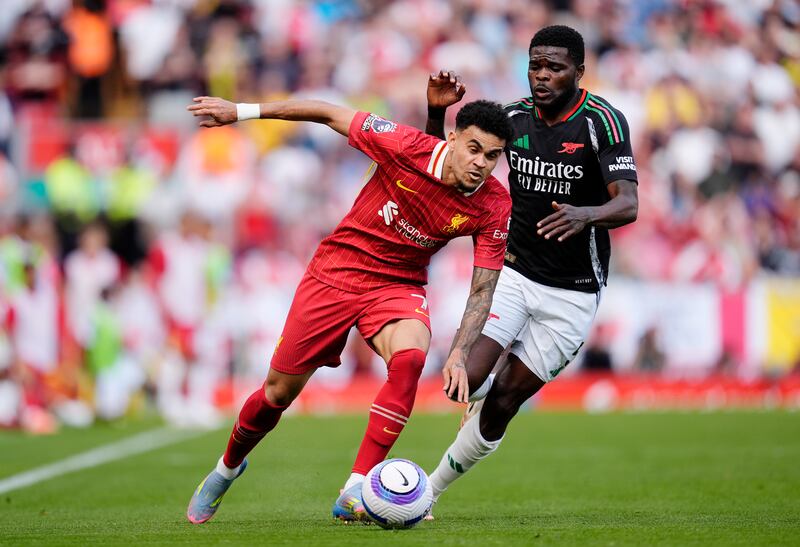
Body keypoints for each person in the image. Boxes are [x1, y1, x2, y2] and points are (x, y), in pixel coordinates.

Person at [184, 93, 513, 524]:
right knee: (277, 394)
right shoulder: (403, 144)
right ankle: (226, 468)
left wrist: (459, 353)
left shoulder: (494, 205)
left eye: (492, 156)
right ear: (452, 139)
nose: (481, 163)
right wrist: (241, 111)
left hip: (398, 284)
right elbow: (327, 112)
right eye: (473, 149)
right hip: (336, 272)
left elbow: (482, 287)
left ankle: (356, 487)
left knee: (412, 357)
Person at [422, 25, 639, 513]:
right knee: (466, 383)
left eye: (554, 67)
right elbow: (450, 175)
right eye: (535, 65)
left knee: (503, 402)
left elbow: (628, 204)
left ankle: (428, 492)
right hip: (514, 273)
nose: (541, 76)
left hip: (574, 292)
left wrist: (585, 214)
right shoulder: (513, 119)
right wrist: (437, 114)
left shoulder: (603, 121)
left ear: (579, 72)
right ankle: (468, 411)